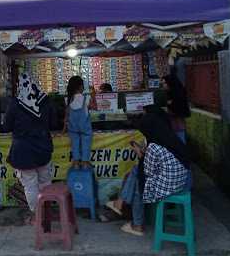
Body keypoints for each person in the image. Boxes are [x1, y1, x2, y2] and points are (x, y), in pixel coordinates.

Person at [107, 103, 191, 236]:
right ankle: (121, 204)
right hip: (180, 181)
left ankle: (136, 223)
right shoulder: (168, 138)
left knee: (138, 183)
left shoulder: (153, 146)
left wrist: (140, 154)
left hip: (169, 185)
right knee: (136, 172)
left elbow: (147, 173)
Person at [4, 74, 57, 225]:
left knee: (30, 185)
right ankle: (46, 212)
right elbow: (54, 123)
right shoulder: (45, 101)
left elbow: (6, 126)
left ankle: (37, 216)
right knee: (45, 182)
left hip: (23, 152)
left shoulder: (15, 103)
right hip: (43, 149)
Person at [63, 76, 94, 169]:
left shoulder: (67, 99)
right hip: (85, 128)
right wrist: (94, 95)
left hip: (73, 128)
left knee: (75, 145)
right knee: (86, 144)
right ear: (80, 86)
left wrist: (64, 128)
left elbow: (66, 116)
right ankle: (85, 162)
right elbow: (94, 107)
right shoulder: (87, 98)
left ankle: (76, 163)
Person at [162, 70, 191, 143]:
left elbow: (177, 110)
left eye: (165, 83)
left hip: (177, 125)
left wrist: (168, 107)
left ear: (170, 83)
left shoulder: (177, 94)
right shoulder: (171, 93)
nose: (163, 85)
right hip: (175, 125)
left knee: (180, 140)